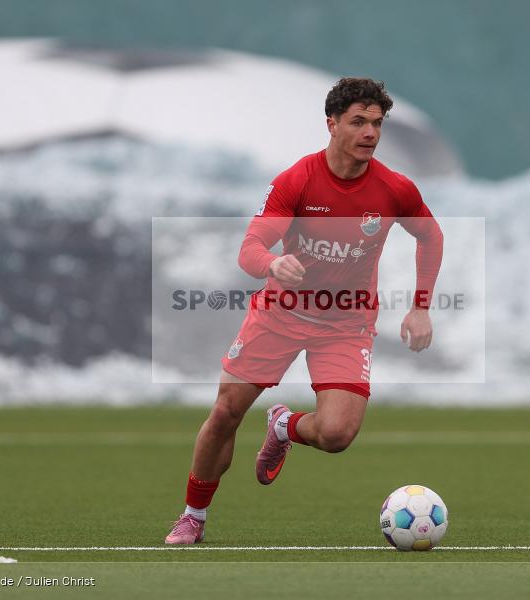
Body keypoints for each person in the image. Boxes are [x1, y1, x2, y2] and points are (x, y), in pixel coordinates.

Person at [165, 77, 444, 544]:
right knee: (224, 413)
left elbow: (431, 238)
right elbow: (250, 248)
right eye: (358, 122)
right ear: (332, 124)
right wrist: (274, 261)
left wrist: (421, 308)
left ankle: (283, 425)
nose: (370, 133)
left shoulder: (395, 189)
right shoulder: (297, 180)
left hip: (347, 323)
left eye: (377, 123)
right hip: (280, 313)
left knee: (336, 435)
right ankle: (194, 515)